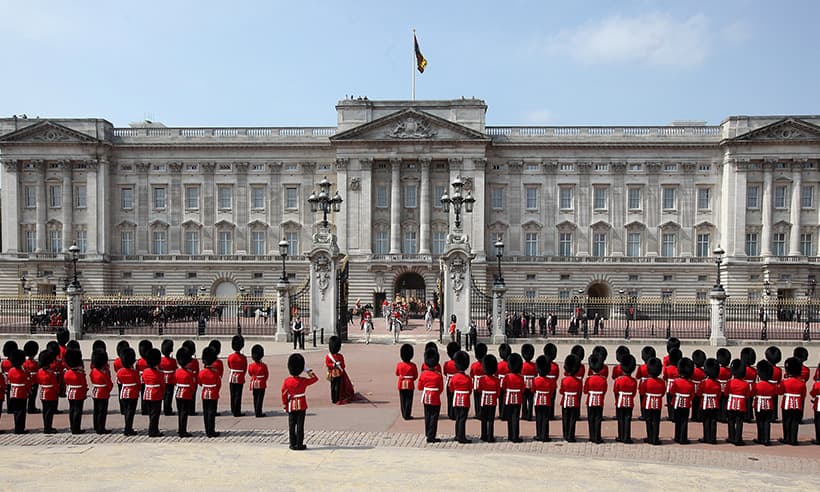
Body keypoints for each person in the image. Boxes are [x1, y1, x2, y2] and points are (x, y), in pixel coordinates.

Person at [281, 353, 318, 450]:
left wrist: (285, 404)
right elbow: (315, 379)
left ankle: (292, 444)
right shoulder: (303, 380)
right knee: (300, 426)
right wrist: (307, 370)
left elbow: (284, 393)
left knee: (291, 425)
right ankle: (299, 444)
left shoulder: (287, 381)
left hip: (291, 405)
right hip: (301, 405)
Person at [418, 348, 444, 443]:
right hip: (435, 397)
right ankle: (431, 436)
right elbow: (441, 389)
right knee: (434, 416)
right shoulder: (438, 375)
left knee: (427, 415)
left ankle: (427, 432)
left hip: (426, 397)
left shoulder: (423, 374)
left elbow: (420, 387)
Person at [780, 356, 807, 445]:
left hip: (787, 402)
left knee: (786, 421)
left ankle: (786, 438)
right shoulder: (802, 383)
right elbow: (803, 395)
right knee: (795, 422)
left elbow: (780, 392)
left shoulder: (785, 382)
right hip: (798, 403)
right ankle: (793, 439)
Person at [448, 350, 472, 443]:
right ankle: (461, 437)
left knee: (458, 418)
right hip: (465, 399)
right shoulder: (468, 378)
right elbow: (470, 390)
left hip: (456, 398)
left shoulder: (454, 377)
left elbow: (451, 388)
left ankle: (457, 435)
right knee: (462, 418)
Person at [639, 357, 665, 445]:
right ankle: (655, 438)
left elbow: (641, 392)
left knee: (649, 421)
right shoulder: (661, 382)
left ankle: (650, 437)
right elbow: (662, 393)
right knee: (656, 421)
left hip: (647, 403)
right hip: (658, 403)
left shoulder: (646, 382)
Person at [613, 354, 637, 444]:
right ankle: (627, 437)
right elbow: (634, 393)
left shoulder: (619, 380)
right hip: (629, 401)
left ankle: (621, 436)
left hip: (620, 401)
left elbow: (615, 391)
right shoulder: (633, 381)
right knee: (628, 418)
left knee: (620, 418)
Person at [670, 357, 695, 444]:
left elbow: (672, 392)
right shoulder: (691, 384)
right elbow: (692, 396)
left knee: (678, 421)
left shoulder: (676, 382)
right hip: (686, 404)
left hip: (677, 402)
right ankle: (683, 438)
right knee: (684, 421)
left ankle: (677, 437)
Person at [752, 359, 777, 446]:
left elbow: (752, 393)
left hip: (758, 404)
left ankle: (760, 438)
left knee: (760, 422)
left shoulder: (757, 385)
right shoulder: (772, 386)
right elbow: (774, 395)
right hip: (769, 405)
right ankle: (766, 439)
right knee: (767, 422)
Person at [584, 353, 607, 444]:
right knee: (598, 418)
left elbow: (585, 391)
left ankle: (591, 436)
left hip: (590, 400)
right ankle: (597, 437)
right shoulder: (603, 379)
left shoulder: (589, 379)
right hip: (599, 401)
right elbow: (604, 390)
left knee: (591, 418)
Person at [476, 354, 500, 443]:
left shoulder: (482, 379)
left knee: (484, 419)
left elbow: (479, 390)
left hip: (484, 401)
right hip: (493, 401)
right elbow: (498, 393)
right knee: (491, 420)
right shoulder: (497, 380)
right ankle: (490, 436)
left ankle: (483, 435)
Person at [142, 348, 165, 437]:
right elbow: (162, 385)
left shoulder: (145, 371)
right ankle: (153, 431)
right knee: (155, 414)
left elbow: (144, 380)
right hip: (156, 394)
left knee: (151, 413)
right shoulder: (159, 374)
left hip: (147, 393)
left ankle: (153, 429)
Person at [697, 358, 722, 444]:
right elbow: (719, 395)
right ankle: (713, 438)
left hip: (705, 404)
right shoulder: (718, 383)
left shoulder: (703, 383)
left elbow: (699, 393)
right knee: (713, 421)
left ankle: (706, 437)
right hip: (715, 404)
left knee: (706, 421)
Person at [725, 358, 749, 446]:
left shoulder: (729, 382)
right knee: (739, 422)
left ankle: (731, 437)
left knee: (731, 421)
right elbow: (747, 395)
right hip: (741, 404)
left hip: (731, 403)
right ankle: (738, 439)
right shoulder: (745, 384)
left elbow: (726, 393)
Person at [64, 348, 87, 435]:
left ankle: (72, 426)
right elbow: (84, 384)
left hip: (70, 392)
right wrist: (85, 391)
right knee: (78, 410)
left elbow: (66, 382)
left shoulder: (67, 373)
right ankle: (76, 428)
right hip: (78, 392)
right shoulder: (79, 374)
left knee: (72, 409)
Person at [117, 348, 140, 436]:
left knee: (127, 411)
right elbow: (138, 383)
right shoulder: (134, 372)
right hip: (133, 393)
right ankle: (128, 428)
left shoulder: (120, 372)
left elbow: (119, 382)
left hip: (123, 392)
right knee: (131, 411)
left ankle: (127, 427)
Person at [199, 347, 222, 438]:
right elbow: (218, 384)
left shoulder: (201, 373)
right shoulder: (215, 373)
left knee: (205, 412)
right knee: (212, 412)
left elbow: (200, 383)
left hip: (205, 393)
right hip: (213, 393)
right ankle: (211, 431)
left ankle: (207, 430)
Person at [533, 355, 556, 442]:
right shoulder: (550, 381)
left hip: (538, 400)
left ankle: (539, 435)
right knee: (545, 418)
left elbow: (533, 390)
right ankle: (545, 435)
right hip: (547, 400)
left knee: (538, 418)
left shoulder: (535, 380)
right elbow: (551, 391)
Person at [90, 349, 113, 435]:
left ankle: (96, 426)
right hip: (103, 393)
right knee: (102, 411)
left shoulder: (93, 371)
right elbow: (109, 384)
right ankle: (101, 428)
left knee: (96, 410)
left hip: (95, 391)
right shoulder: (103, 373)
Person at [503, 353, 525, 443]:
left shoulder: (507, 377)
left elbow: (503, 387)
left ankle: (510, 435)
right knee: (515, 417)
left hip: (508, 398)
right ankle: (515, 436)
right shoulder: (521, 378)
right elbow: (523, 389)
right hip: (518, 399)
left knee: (509, 418)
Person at [560, 354, 582, 442]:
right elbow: (579, 392)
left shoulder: (564, 380)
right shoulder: (578, 381)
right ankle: (571, 435)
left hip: (565, 401)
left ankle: (565, 434)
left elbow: (561, 391)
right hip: (575, 401)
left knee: (565, 418)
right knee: (573, 419)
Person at [174, 347, 195, 438]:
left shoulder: (177, 372)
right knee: (184, 413)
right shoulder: (189, 373)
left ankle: (180, 429)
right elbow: (192, 385)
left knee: (180, 412)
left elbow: (174, 381)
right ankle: (183, 431)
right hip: (186, 394)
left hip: (178, 393)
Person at [7, 348, 29, 434]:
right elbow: (26, 383)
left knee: (16, 411)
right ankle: (20, 429)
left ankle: (17, 427)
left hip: (13, 392)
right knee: (21, 411)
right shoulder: (23, 372)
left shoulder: (11, 370)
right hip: (21, 393)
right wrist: (28, 390)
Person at [36, 350, 58, 434]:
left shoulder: (40, 371)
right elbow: (55, 385)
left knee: (45, 411)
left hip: (43, 392)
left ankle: (46, 426)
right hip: (50, 393)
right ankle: (48, 428)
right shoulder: (50, 373)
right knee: (49, 411)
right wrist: (57, 391)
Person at [395, 344, 418, 420]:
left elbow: (397, 373)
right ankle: (407, 414)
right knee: (409, 399)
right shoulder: (413, 365)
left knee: (402, 399)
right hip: (410, 383)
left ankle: (404, 413)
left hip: (401, 383)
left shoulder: (399, 365)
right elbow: (415, 376)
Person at [227, 335, 247, 417]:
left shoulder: (230, 357)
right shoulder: (243, 358)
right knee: (238, 395)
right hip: (240, 377)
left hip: (232, 376)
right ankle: (237, 411)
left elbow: (229, 365)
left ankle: (233, 409)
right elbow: (245, 368)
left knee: (232, 394)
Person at [248, 344, 268, 418]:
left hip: (254, 382)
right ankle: (258, 412)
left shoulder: (251, 365)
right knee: (260, 398)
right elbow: (266, 375)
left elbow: (250, 373)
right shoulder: (263, 365)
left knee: (255, 397)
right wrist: (264, 380)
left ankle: (256, 410)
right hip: (261, 382)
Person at [159, 340, 177, 417]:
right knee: (169, 395)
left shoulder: (160, 360)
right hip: (170, 379)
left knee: (163, 394)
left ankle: (164, 408)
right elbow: (175, 369)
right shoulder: (173, 361)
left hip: (162, 378)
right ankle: (167, 409)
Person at [326, 336, 345, 404]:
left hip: (332, 373)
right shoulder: (340, 356)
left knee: (333, 386)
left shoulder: (328, 356)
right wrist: (335, 365)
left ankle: (333, 399)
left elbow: (327, 364)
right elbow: (343, 366)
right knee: (337, 386)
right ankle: (336, 399)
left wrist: (333, 365)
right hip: (338, 373)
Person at [443, 342, 460, 420]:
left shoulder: (447, 363)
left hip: (449, 382)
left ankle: (450, 413)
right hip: (457, 382)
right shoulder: (458, 363)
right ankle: (455, 413)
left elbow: (445, 373)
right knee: (456, 398)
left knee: (449, 398)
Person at [470, 343, 487, 418]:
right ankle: (483, 412)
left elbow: (471, 374)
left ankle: (478, 413)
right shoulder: (486, 364)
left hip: (476, 384)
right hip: (485, 383)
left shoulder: (474, 365)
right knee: (483, 398)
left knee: (477, 399)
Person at [23, 341, 40, 415]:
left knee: (28, 395)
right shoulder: (35, 363)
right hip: (33, 380)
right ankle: (31, 408)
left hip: (27, 380)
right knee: (32, 396)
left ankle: (29, 407)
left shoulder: (24, 362)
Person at [521, 344, 537, 422]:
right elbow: (536, 374)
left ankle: (524, 414)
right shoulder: (534, 365)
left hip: (523, 383)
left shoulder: (522, 365)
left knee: (524, 399)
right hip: (532, 384)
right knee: (531, 400)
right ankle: (529, 415)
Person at [811, 362, 820, 445]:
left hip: (818, 404)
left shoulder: (817, 384)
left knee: (818, 421)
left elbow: (813, 393)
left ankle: (818, 439)